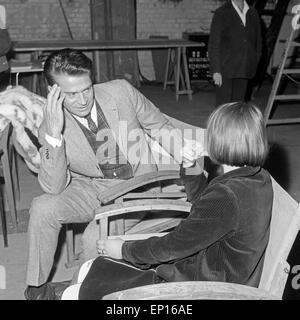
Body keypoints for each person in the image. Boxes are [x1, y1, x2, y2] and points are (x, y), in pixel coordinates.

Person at [24, 48, 205, 300]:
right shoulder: (50, 125)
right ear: (53, 93)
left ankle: (81, 290)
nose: (83, 100)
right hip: (93, 188)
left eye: (87, 89)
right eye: (71, 94)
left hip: (137, 185)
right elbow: (53, 187)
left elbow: (157, 124)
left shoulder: (120, 91)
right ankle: (38, 289)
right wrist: (54, 136)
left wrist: (181, 149)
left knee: (93, 237)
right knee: (42, 207)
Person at [72, 101, 273, 300]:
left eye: (210, 133)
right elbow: (203, 206)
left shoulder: (227, 196)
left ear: (219, 141)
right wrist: (190, 164)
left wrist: (124, 250)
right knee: (89, 272)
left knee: (80, 286)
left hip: (202, 288)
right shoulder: (255, 179)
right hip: (213, 272)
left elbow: (174, 246)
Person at [208, 0, 262, 106]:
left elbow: (258, 42)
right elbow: (214, 43)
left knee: (238, 106)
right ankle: (221, 123)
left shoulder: (253, 13)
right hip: (225, 69)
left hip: (244, 67)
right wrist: (216, 70)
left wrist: (254, 61)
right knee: (224, 107)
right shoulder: (222, 12)